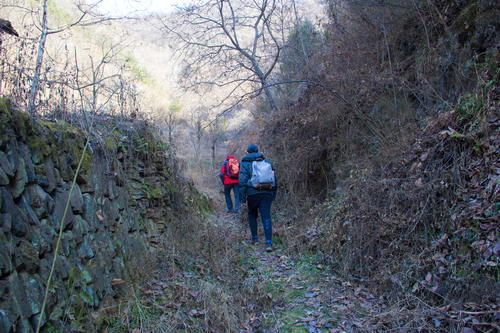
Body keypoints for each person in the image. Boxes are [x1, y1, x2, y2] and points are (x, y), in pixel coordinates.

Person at [238, 144, 277, 252]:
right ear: (257, 151)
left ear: (248, 152)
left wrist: (242, 199)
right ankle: (268, 243)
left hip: (252, 194)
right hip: (267, 192)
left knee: (252, 214)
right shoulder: (266, 162)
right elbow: (274, 178)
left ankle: (255, 239)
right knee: (266, 217)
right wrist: (273, 194)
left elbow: (242, 181)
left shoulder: (245, 163)